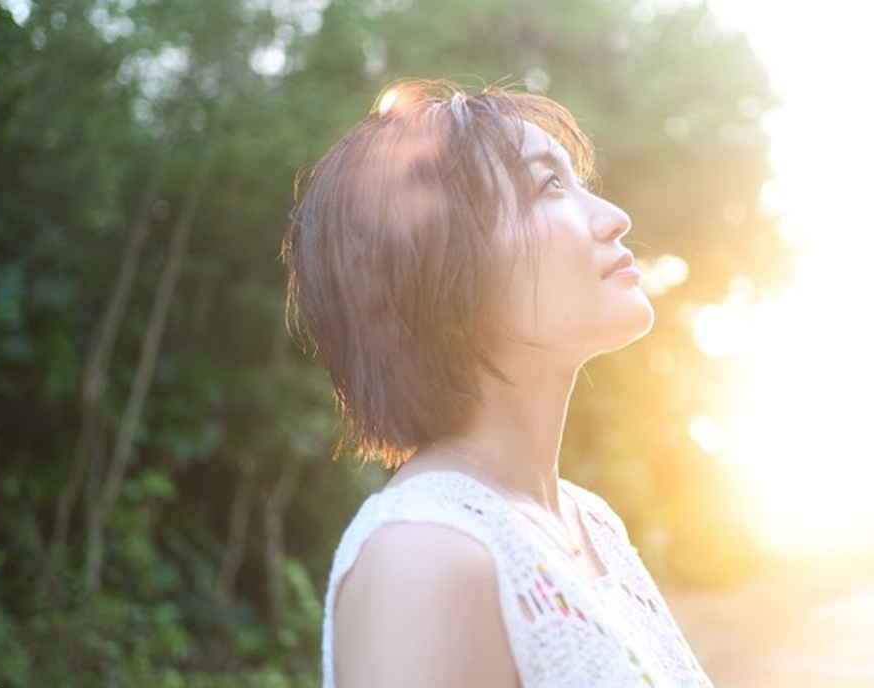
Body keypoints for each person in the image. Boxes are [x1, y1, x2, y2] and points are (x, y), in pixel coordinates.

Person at [283, 78, 714, 688]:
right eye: (549, 186)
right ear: (437, 276)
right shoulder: (426, 559)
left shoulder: (591, 525)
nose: (615, 219)